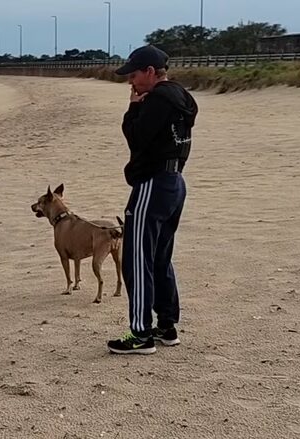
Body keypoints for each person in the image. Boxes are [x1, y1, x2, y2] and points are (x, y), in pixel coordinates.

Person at [107, 45, 198, 355]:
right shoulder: (182, 97)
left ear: (150, 72)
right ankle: (167, 326)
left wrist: (133, 109)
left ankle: (141, 333)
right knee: (159, 257)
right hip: (174, 182)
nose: (130, 83)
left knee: (136, 259)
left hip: (153, 183)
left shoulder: (157, 99)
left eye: (134, 75)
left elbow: (137, 138)